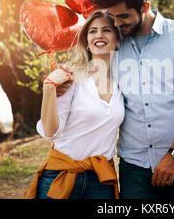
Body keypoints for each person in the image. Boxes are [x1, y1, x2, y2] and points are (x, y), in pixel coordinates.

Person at [58, 0, 174, 199]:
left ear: (144, 7)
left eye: (123, 16)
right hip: (134, 166)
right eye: (111, 16)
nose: (116, 23)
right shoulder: (112, 43)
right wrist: (61, 83)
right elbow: (86, 67)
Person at [24, 10, 124, 199]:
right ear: (86, 41)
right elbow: (51, 131)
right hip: (61, 175)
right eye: (92, 31)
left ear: (118, 40)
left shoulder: (124, 82)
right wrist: (49, 88)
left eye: (106, 30)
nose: (99, 35)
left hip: (99, 180)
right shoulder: (71, 76)